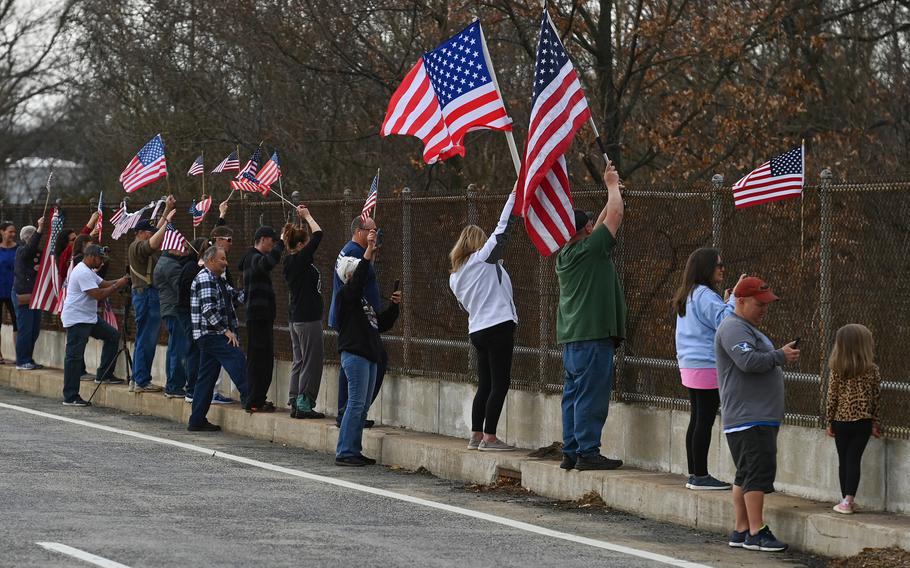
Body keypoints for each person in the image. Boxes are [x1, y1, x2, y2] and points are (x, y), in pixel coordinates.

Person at [715, 276, 799, 552]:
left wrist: (777, 355)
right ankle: (756, 531)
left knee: (746, 475)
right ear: (739, 301)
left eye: (766, 304)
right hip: (749, 416)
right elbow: (747, 361)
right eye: (758, 303)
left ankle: (741, 529)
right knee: (756, 475)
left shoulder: (747, 328)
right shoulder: (733, 328)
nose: (764, 309)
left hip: (756, 416)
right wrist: (779, 356)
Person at [556, 164, 626, 472]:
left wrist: (611, 192)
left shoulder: (567, 253)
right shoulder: (591, 251)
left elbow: (600, 223)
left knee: (572, 395)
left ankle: (571, 449)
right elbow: (614, 218)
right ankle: (588, 451)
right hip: (593, 335)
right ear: (585, 232)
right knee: (591, 396)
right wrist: (611, 187)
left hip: (572, 337)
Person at [449, 187, 519, 451]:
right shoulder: (483, 260)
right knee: (500, 382)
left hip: (476, 329)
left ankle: (476, 434)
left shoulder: (455, 277)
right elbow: (503, 228)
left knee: (485, 384)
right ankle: (490, 436)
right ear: (478, 244)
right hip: (498, 325)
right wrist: (513, 195)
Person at [672, 248, 744, 490]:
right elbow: (725, 321)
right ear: (705, 268)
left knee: (697, 418)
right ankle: (700, 475)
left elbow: (709, 320)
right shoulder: (703, 294)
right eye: (718, 265)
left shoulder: (690, 293)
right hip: (706, 365)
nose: (722, 268)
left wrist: (723, 302)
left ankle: (695, 473)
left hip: (690, 364)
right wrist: (734, 298)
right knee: (704, 420)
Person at [334, 229, 400, 466]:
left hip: (369, 353)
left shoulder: (362, 301)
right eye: (355, 272)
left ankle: (354, 448)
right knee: (356, 403)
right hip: (355, 354)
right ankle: (344, 451)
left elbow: (378, 324)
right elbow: (359, 276)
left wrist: (393, 307)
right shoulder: (346, 296)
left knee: (362, 407)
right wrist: (368, 251)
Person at [328, 215, 386, 428]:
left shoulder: (357, 250)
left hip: (359, 317)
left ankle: (350, 413)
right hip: (356, 320)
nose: (375, 234)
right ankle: (351, 413)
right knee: (366, 363)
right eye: (372, 230)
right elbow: (355, 278)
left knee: (350, 368)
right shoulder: (353, 251)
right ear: (360, 231)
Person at [60, 245, 130, 407]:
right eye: (100, 258)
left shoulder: (88, 271)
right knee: (74, 357)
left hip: (88, 318)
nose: (101, 262)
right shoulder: (82, 272)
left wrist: (123, 280)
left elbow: (104, 283)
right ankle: (70, 396)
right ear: (91, 256)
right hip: (78, 319)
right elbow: (98, 293)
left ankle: (104, 374)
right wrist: (117, 285)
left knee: (112, 335)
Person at [188, 245, 249, 431]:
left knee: (206, 378)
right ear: (211, 260)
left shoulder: (218, 279)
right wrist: (226, 331)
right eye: (222, 259)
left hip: (210, 335)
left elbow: (235, 296)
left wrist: (252, 286)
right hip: (211, 334)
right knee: (237, 359)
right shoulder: (205, 278)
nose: (226, 263)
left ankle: (196, 420)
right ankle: (251, 398)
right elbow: (208, 310)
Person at [825, 323, 881, 515]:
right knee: (854, 459)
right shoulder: (872, 369)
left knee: (844, 459)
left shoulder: (837, 368)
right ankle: (848, 500)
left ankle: (846, 500)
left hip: (841, 421)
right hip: (863, 422)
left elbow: (832, 397)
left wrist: (829, 421)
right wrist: (875, 422)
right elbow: (876, 398)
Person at [127, 198, 176, 393]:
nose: (152, 235)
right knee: (146, 338)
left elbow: (156, 234)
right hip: (146, 295)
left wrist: (167, 209)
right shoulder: (137, 246)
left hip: (147, 295)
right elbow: (153, 243)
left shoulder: (142, 242)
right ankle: (141, 380)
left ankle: (138, 378)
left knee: (144, 337)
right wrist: (168, 223)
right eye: (148, 232)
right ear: (139, 233)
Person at [282, 205, 326, 419]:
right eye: (305, 244)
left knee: (299, 360)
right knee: (312, 361)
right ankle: (304, 403)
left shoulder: (291, 261)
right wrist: (308, 216)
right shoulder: (298, 260)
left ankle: (294, 399)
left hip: (297, 317)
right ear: (300, 245)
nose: (310, 247)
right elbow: (318, 235)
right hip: (307, 318)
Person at [238, 225, 285, 413]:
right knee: (259, 360)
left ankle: (257, 398)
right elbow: (266, 264)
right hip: (257, 316)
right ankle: (254, 399)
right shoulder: (253, 258)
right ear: (263, 239)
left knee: (263, 359)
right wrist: (281, 244)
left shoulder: (252, 258)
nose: (272, 244)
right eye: (271, 241)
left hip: (261, 316)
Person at [154, 240, 192, 398]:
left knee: (173, 347)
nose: (183, 250)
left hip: (168, 309)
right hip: (175, 310)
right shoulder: (171, 265)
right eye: (181, 247)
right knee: (178, 348)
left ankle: (172, 384)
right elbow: (180, 287)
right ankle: (174, 384)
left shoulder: (163, 262)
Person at [206, 223, 237, 405]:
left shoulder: (221, 266)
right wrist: (224, 329)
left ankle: (210, 392)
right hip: (214, 326)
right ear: (218, 240)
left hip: (224, 319)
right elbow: (208, 307)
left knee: (211, 364)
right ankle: (212, 391)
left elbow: (229, 291)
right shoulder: (208, 273)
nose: (231, 244)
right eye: (228, 240)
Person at [177, 237, 209, 403]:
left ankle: (193, 386)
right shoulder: (191, 268)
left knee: (194, 349)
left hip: (189, 313)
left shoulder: (189, 267)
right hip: (189, 313)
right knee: (194, 349)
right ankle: (191, 389)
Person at [13, 218, 44, 371]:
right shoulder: (22, 250)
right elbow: (29, 253)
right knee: (25, 328)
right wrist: (40, 229)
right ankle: (21, 360)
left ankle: (28, 357)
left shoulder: (37, 251)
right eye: (34, 236)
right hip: (23, 294)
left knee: (34, 328)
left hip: (35, 294)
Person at [0, 221, 18, 364]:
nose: (12, 234)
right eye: (9, 231)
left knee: (17, 323)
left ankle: (20, 355)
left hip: (14, 291)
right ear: (2, 231)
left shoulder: (18, 249)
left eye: (14, 232)